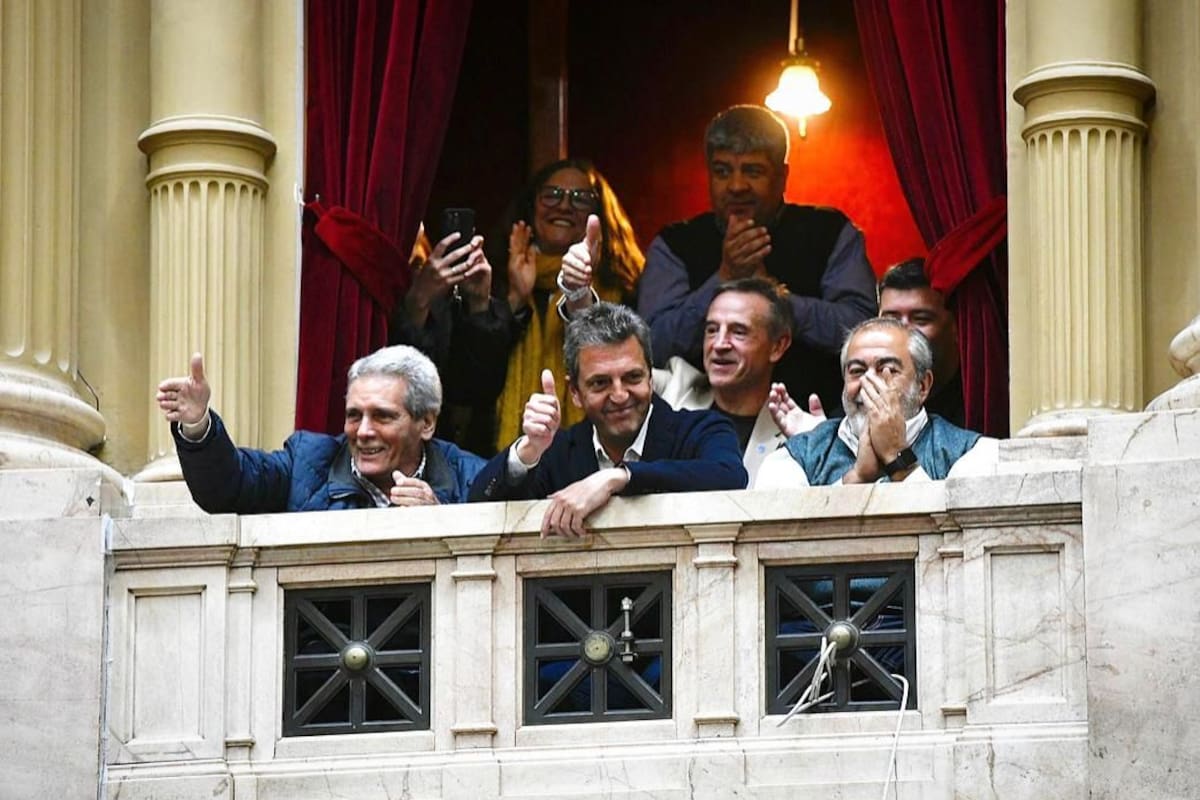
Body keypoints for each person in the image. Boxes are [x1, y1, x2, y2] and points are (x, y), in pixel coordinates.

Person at [637, 104, 877, 414]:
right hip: (697, 425)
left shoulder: (829, 232)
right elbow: (651, 347)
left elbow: (864, 333)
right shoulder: (675, 243)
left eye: (753, 170)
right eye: (723, 171)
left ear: (783, 175)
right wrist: (724, 278)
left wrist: (776, 299)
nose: (737, 186)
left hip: (817, 419)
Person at [469, 303, 748, 536]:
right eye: (600, 383)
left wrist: (619, 477)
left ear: (651, 378)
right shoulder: (558, 451)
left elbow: (729, 476)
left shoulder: (701, 429)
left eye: (632, 377)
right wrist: (528, 450)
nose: (619, 395)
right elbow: (479, 505)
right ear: (575, 393)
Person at [157, 345, 485, 513]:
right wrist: (198, 424)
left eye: (382, 417)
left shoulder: (470, 477)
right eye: (354, 415)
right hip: (322, 637)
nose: (364, 431)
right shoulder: (308, 461)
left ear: (426, 422)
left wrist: (441, 520)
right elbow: (229, 486)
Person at [490, 158, 644, 452]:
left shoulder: (625, 285)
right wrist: (516, 299)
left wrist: (579, 291)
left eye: (580, 198)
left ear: (598, 214)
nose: (564, 206)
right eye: (552, 195)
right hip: (505, 450)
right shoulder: (495, 276)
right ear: (531, 205)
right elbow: (476, 378)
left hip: (598, 449)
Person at [755, 318, 994, 487]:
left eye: (887, 369)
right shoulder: (795, 457)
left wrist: (898, 458)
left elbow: (960, 542)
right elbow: (784, 540)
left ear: (923, 386)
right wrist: (857, 478)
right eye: (857, 371)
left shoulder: (971, 454)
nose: (868, 381)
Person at [654, 277, 820, 484]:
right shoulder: (672, 386)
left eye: (739, 332)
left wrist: (821, 449)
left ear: (777, 346)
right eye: (712, 330)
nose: (719, 344)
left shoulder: (798, 433)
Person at [390, 223, 513, 455]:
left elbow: (477, 389)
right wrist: (417, 303)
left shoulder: (448, 309)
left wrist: (478, 304)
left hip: (452, 447)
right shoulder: (373, 313)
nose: (415, 277)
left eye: (419, 265)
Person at [877, 258, 963, 427]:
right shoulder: (860, 397)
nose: (903, 331)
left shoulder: (980, 405)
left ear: (956, 326)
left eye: (921, 319)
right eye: (890, 320)